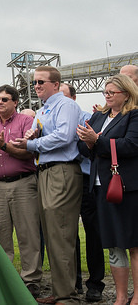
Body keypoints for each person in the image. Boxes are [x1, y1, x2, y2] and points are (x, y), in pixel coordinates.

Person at [11, 66, 82, 305]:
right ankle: (61, 290)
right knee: (52, 234)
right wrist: (30, 139)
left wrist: (30, 145)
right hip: (44, 172)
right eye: (35, 83)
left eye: (41, 82)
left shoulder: (66, 106)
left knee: (61, 233)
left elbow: (64, 136)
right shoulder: (44, 110)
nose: (36, 86)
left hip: (61, 171)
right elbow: (42, 137)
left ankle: (67, 296)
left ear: (55, 83)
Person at [0, 85, 42, 297]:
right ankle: (2, 278)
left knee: (28, 234)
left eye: (5, 99)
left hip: (23, 182)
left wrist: (3, 145)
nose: (0, 102)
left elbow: (27, 154)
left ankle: (31, 280)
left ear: (15, 102)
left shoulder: (26, 122)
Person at [77, 74, 138, 305]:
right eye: (106, 92)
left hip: (127, 187)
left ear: (127, 93)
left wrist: (97, 141)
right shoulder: (99, 115)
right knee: (113, 243)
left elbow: (131, 145)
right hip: (101, 186)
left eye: (112, 93)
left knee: (133, 242)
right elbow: (84, 147)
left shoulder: (134, 114)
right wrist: (88, 141)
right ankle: (121, 297)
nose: (108, 96)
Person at [60, 82, 105, 301]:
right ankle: (73, 281)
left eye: (64, 97)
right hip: (63, 179)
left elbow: (95, 148)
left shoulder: (91, 118)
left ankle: (95, 283)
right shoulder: (50, 118)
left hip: (86, 179)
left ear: (74, 99)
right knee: (67, 233)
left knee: (92, 232)